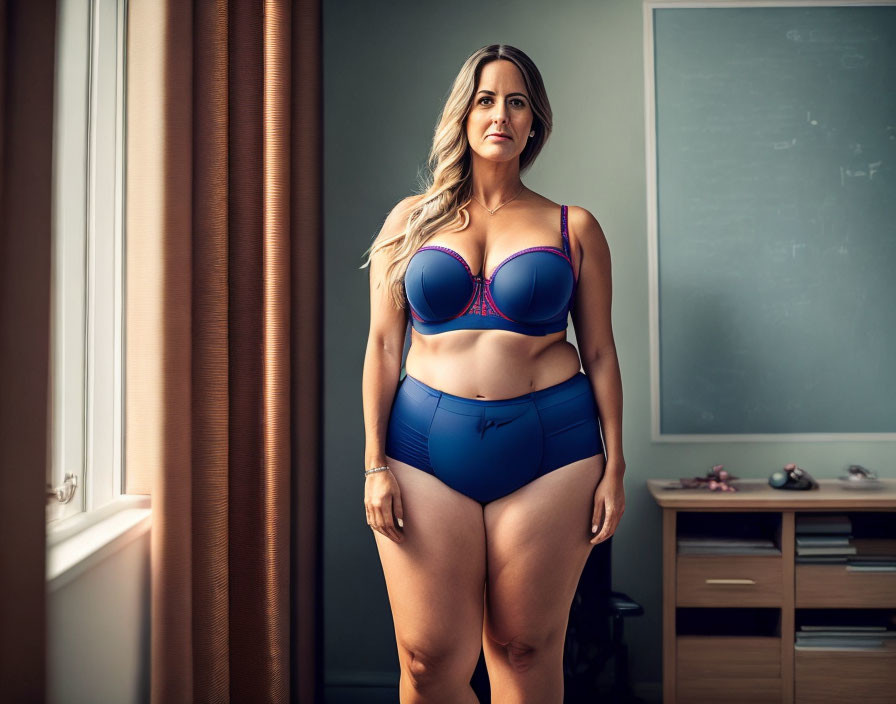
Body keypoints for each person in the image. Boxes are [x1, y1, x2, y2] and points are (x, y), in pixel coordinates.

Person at [359, 43, 625, 704]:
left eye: (516, 101)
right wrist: (373, 466)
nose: (500, 114)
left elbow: (600, 354)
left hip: (552, 450)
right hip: (423, 447)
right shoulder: (410, 222)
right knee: (425, 663)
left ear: (536, 121)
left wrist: (615, 468)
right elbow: (384, 350)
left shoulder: (574, 226)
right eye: (485, 99)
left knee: (524, 649)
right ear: (464, 114)